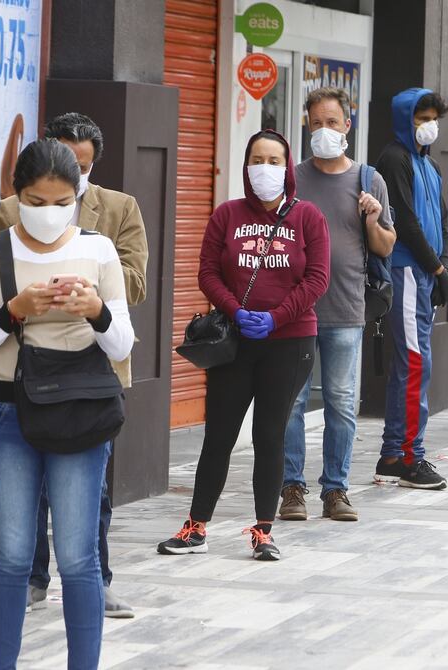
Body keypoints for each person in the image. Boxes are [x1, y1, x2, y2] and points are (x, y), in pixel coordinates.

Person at [0, 139, 136, 669]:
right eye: (37, 201)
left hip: (80, 409)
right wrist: (14, 310)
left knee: (79, 558)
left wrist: (96, 310)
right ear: (17, 195)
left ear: (78, 197)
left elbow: (122, 345)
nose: (50, 213)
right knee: (10, 556)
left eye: (62, 202)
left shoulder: (99, 250)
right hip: (6, 411)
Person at [0, 113, 149, 618]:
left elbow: (136, 282)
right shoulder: (9, 211)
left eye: (82, 167)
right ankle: (31, 578)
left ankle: (95, 581)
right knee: (27, 488)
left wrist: (86, 280)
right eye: (64, 161)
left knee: (91, 489)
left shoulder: (119, 209)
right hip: (27, 370)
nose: (71, 175)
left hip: (92, 369)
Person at [157, 130, 329, 560]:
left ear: (287, 168)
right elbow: (207, 273)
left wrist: (276, 317)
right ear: (246, 165)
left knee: (269, 435)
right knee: (219, 434)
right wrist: (235, 311)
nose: (264, 168)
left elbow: (317, 279)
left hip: (290, 341)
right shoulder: (227, 214)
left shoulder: (308, 216)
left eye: (274, 161)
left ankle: (264, 531)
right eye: (257, 160)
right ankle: (196, 527)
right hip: (234, 342)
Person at [279, 88, 395, 524]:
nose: (324, 130)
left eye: (332, 122)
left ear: (348, 125)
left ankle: (336, 489)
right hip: (295, 311)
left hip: (346, 309)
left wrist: (372, 218)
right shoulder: (291, 179)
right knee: (291, 402)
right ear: (306, 127)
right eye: (316, 123)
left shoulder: (369, 180)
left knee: (342, 403)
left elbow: (385, 246)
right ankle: (292, 488)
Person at [372, 88, 448, 490]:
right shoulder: (394, 158)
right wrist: (437, 268)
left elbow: (442, 218)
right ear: (406, 119)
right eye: (422, 118)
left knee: (412, 364)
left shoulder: (430, 164)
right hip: (406, 270)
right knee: (415, 363)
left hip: (425, 274)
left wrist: (443, 268)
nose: (429, 125)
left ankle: (395, 453)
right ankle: (408, 457)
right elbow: (404, 220)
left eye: (434, 119)